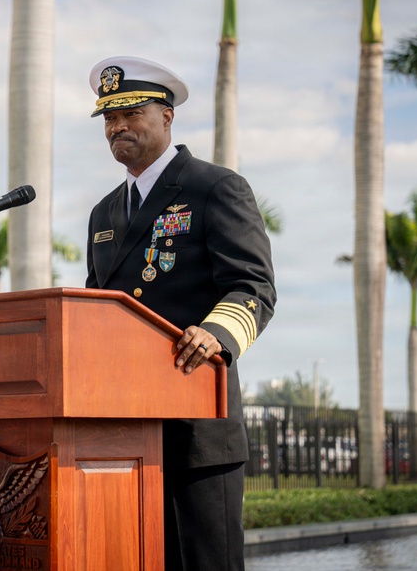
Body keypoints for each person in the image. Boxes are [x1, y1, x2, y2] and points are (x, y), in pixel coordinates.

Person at [84, 56, 276, 570]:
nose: (116, 127)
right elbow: (95, 309)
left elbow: (253, 287)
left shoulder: (215, 188)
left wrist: (215, 334)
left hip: (197, 426)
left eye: (130, 113)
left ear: (167, 117)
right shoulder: (103, 212)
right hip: (123, 432)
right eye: (108, 118)